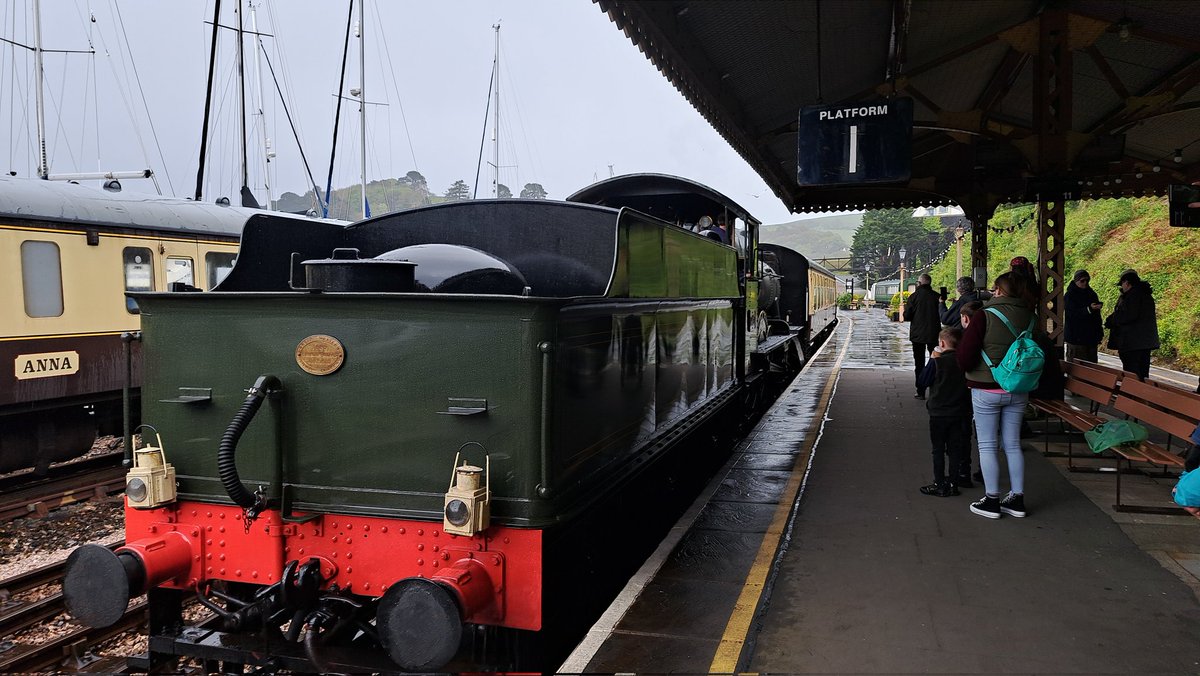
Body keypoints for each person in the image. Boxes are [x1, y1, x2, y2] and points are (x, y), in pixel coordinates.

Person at [957, 272, 1035, 519]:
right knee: (1012, 445)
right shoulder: (1030, 315)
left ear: (999, 291)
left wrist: (967, 368)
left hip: (986, 389)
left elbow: (966, 354)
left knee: (987, 445)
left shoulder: (985, 315)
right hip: (1018, 387)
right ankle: (1017, 499)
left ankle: (991, 500)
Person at [916, 327, 972, 496]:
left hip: (939, 414)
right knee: (955, 449)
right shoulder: (965, 362)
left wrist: (932, 360)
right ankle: (954, 484)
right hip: (960, 412)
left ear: (941, 344)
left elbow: (922, 382)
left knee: (938, 449)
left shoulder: (937, 362)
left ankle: (940, 484)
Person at [1104, 269, 1159, 380]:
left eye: (1122, 284)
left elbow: (1127, 315)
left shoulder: (1132, 296)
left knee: (1132, 374)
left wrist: (1111, 321)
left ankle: (1133, 396)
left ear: (1127, 283)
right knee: (1143, 373)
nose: (1122, 287)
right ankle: (1141, 395)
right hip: (1145, 342)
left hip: (1132, 342)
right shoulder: (1146, 295)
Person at [903, 273, 943, 400]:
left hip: (917, 335)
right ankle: (936, 390)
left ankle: (920, 391)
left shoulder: (914, 297)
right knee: (937, 362)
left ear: (919, 283)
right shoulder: (937, 296)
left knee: (919, 363)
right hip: (934, 334)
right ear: (929, 283)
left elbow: (907, 316)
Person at [1063, 270, 1103, 363]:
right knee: (1076, 369)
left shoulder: (1091, 294)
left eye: (1087, 281)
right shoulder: (1070, 295)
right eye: (1082, 281)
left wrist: (1099, 333)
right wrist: (1089, 309)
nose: (1085, 283)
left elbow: (1097, 317)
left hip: (1091, 338)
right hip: (1076, 338)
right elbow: (1072, 314)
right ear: (1076, 281)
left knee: (1091, 369)